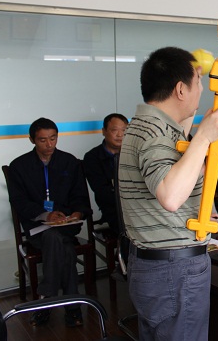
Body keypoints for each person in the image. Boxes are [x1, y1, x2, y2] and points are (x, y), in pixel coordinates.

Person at [118, 46, 218, 340]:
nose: (202, 89)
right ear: (181, 89)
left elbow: (180, 158)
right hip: (173, 269)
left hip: (159, 265)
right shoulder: (155, 133)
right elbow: (170, 196)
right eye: (199, 82)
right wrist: (204, 136)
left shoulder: (150, 125)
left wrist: (201, 123)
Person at [7, 117, 92, 327]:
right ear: (32, 140)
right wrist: (45, 215)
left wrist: (77, 213)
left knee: (56, 237)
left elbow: (81, 196)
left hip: (66, 225)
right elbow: (19, 202)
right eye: (43, 140)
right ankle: (72, 307)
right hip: (37, 227)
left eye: (53, 138)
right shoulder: (19, 166)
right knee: (64, 247)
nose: (49, 144)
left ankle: (46, 299)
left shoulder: (69, 162)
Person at [83, 113, 128, 233]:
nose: (120, 135)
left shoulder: (133, 154)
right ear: (104, 131)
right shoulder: (92, 157)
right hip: (113, 210)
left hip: (137, 207)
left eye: (124, 130)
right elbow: (102, 191)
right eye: (114, 130)